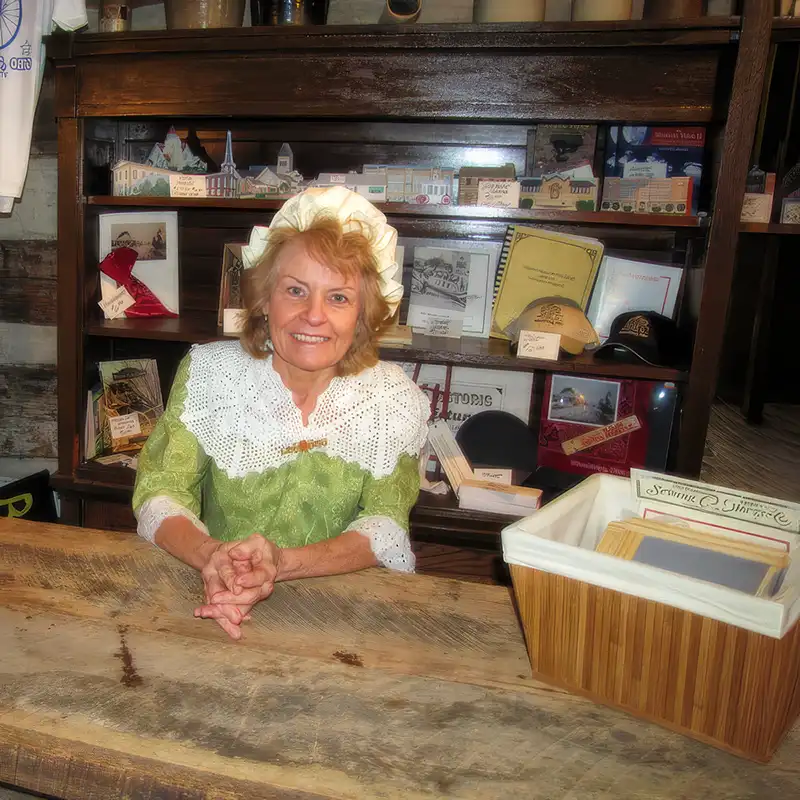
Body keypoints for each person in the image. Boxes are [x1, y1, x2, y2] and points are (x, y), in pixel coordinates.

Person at [132, 187, 431, 639]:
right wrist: (212, 554)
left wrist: (281, 562)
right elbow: (160, 493)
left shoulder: (393, 396)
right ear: (265, 298)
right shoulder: (211, 373)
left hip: (344, 621)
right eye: (296, 291)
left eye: (338, 298)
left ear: (364, 313)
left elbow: (386, 526)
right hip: (216, 600)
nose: (313, 316)